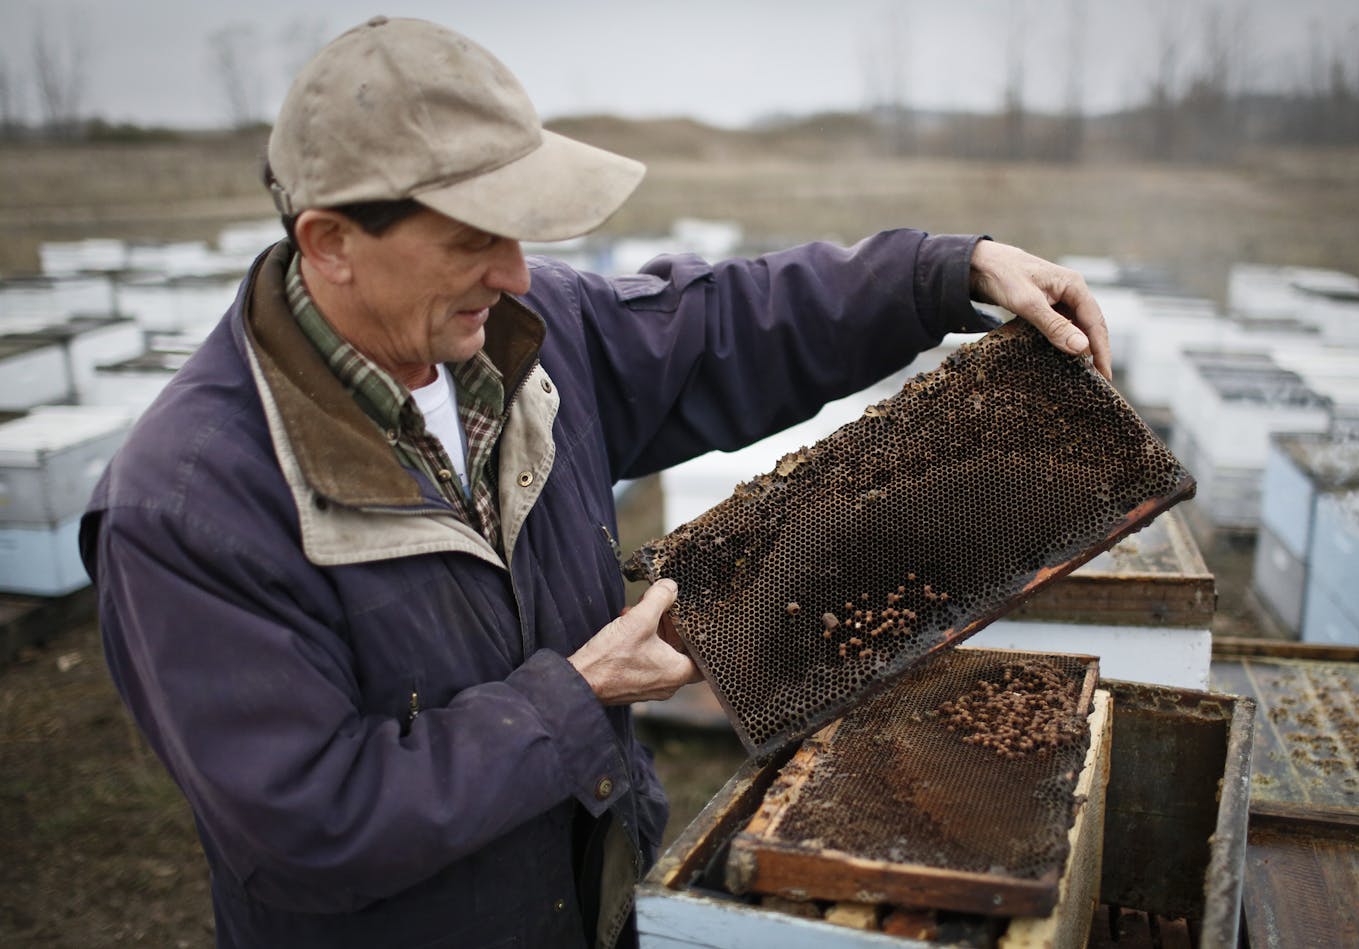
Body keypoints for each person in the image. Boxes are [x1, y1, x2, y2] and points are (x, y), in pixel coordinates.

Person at [81, 15, 1110, 949]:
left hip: (590, 905)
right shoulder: (188, 505)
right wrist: (575, 700)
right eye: (473, 238)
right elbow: (309, 822)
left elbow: (722, 328)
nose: (517, 272)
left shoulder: (531, 339)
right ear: (330, 244)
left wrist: (943, 271)